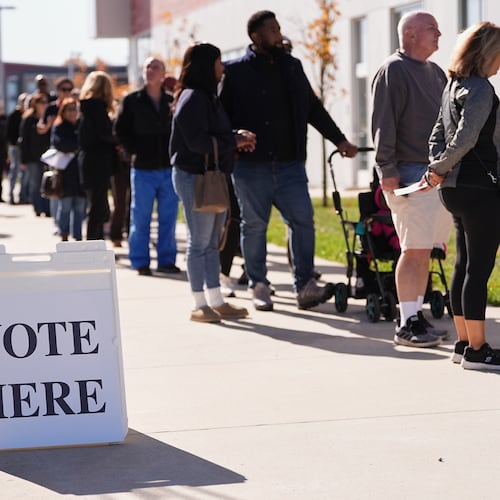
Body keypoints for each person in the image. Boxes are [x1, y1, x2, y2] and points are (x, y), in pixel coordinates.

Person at [220, 10, 357, 311]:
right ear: (255, 35)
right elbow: (219, 117)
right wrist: (233, 136)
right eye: (272, 30)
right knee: (254, 226)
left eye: (279, 28)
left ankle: (305, 284)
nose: (279, 34)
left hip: (290, 164)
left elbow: (313, 109)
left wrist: (340, 140)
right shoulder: (234, 72)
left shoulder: (293, 67)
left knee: (303, 221)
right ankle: (258, 284)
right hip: (250, 167)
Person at [371, 11, 451, 347]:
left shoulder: (435, 72)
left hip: (435, 173)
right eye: (433, 29)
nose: (440, 34)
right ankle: (406, 324)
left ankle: (416, 316)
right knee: (413, 249)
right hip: (407, 172)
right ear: (412, 34)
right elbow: (383, 123)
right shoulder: (394, 69)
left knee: (424, 251)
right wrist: (386, 171)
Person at [422, 22, 500, 369]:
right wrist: (441, 167)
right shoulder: (481, 89)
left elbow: (437, 134)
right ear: (488, 53)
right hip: (479, 187)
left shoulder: (452, 86)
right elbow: (466, 138)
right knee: (478, 269)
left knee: (464, 265)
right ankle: (479, 351)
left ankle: (464, 343)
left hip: (454, 190)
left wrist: (437, 166)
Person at [170, 42, 256, 323]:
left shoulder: (207, 96)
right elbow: (196, 141)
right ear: (208, 66)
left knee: (210, 244)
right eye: (219, 62)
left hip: (208, 176)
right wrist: (233, 141)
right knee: (200, 242)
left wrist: (234, 135)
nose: (222, 67)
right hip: (195, 176)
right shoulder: (193, 97)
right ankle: (199, 303)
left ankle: (216, 300)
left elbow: (210, 133)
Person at [115, 57, 180, 276]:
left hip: (168, 169)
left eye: (155, 67)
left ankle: (166, 260)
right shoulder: (132, 100)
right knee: (140, 217)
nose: (150, 71)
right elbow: (120, 130)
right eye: (147, 67)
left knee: (168, 218)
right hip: (142, 168)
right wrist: (133, 149)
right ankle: (140, 261)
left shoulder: (172, 101)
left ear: (163, 74)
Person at [78, 71, 116, 240]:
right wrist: (116, 141)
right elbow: (103, 136)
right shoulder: (98, 109)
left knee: (97, 205)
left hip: (88, 161)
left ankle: (95, 243)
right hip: (98, 163)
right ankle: (93, 244)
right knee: (98, 208)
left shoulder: (87, 108)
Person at [50, 97, 86, 241]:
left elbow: (86, 143)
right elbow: (60, 144)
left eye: (75, 109)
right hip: (65, 173)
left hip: (81, 173)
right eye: (69, 109)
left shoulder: (82, 126)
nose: (72, 113)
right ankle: (63, 233)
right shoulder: (59, 127)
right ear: (63, 111)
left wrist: (74, 146)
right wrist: (76, 146)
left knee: (79, 207)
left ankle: (77, 236)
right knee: (65, 207)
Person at [18, 92, 51, 217]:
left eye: (45, 102)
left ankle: (47, 208)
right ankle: (38, 207)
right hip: (32, 156)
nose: (43, 104)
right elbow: (23, 140)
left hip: (46, 156)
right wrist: (23, 159)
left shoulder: (48, 118)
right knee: (35, 183)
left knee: (47, 182)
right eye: (41, 102)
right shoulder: (29, 119)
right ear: (35, 104)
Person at [6, 92, 29, 204]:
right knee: (14, 170)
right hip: (15, 147)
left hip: (25, 148)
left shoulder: (28, 116)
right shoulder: (13, 115)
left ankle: (22, 196)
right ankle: (11, 194)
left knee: (24, 173)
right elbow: (8, 133)